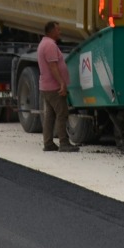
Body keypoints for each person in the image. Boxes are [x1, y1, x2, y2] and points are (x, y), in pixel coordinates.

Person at [37, 20, 78, 152]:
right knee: (62, 113)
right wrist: (62, 83)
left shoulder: (44, 43)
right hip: (53, 87)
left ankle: (48, 143)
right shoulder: (49, 45)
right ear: (51, 31)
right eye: (58, 30)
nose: (60, 32)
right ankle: (64, 143)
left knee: (50, 115)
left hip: (46, 86)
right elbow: (53, 67)